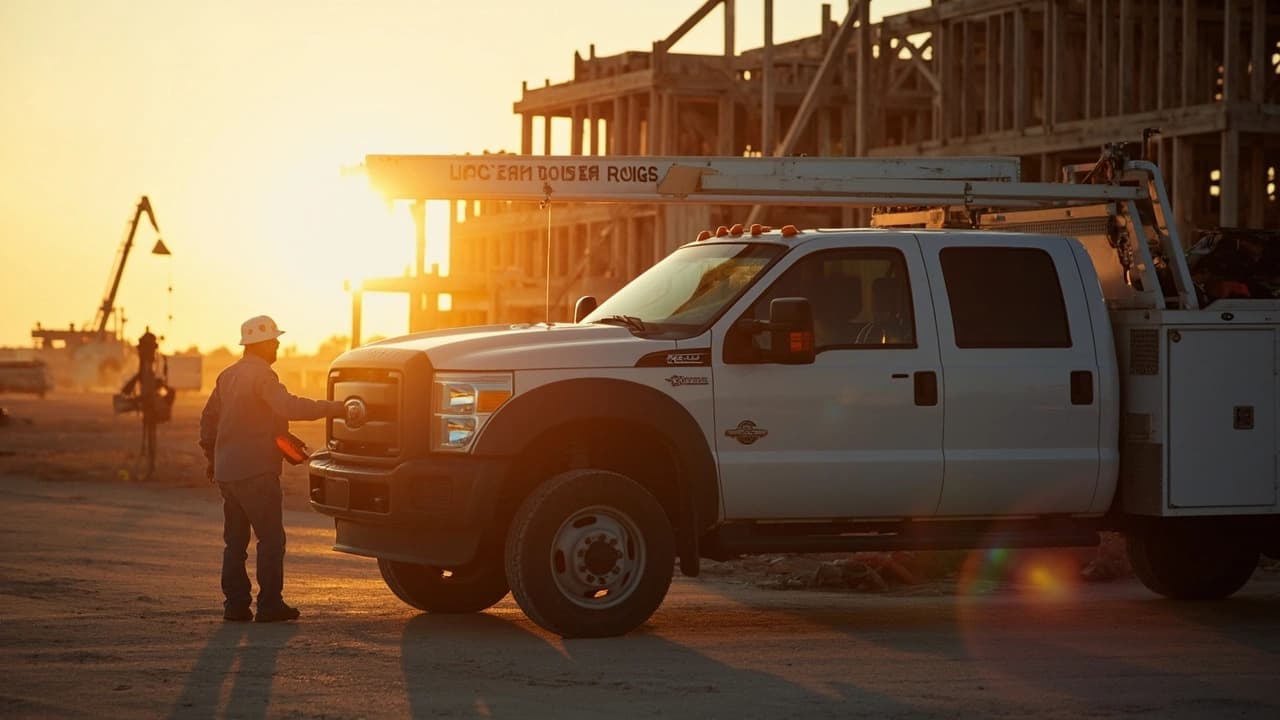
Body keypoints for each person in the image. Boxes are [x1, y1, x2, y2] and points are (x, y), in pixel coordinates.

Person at [199, 315, 347, 623]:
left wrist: (214, 460)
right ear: (262, 344)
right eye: (274, 340)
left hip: (228, 473)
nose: (278, 343)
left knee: (235, 543)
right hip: (256, 473)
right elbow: (289, 407)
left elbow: (209, 421)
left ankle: (236, 606)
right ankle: (269, 604)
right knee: (271, 540)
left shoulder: (227, 376)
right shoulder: (263, 377)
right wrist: (335, 408)